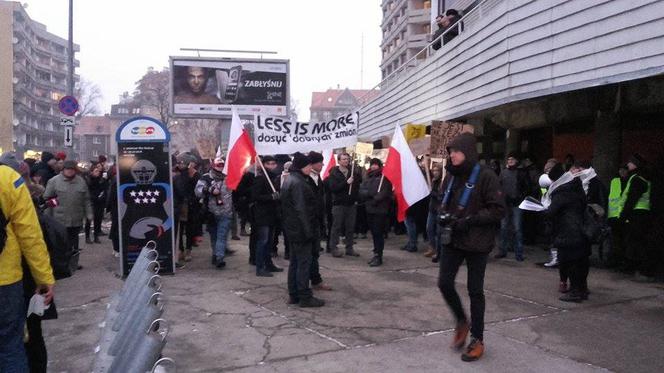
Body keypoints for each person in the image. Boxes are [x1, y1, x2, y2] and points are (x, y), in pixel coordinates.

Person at [437, 133, 505, 362]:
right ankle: (461, 321)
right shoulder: (451, 175)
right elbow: (441, 200)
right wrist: (440, 213)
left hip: (477, 241)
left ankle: (477, 339)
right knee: (444, 283)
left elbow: (497, 210)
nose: (451, 155)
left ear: (467, 152)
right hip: (453, 239)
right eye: (450, 152)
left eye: (455, 151)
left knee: (475, 290)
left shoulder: (486, 176)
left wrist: (469, 220)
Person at [0, 163, 55, 372]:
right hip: (6, 281)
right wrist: (44, 278)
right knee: (10, 347)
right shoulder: (8, 178)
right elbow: (30, 235)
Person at [281, 153, 325, 308]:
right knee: (303, 264)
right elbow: (301, 209)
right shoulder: (298, 183)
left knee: (295, 263)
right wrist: (308, 232)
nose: (310, 168)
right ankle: (305, 296)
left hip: (293, 229)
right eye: (308, 166)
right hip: (301, 230)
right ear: (302, 167)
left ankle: (294, 294)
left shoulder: (290, 179)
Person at [544, 163, 591, 302]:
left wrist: (542, 211)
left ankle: (575, 291)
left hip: (568, 232)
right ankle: (582, 289)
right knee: (582, 261)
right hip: (581, 230)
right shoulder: (577, 186)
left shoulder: (562, 192)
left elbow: (551, 212)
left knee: (570, 262)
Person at [44, 160, 93, 270]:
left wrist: (89, 214)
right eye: (68, 169)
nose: (70, 171)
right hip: (59, 219)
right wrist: (47, 219)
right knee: (61, 243)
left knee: (74, 243)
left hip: (76, 218)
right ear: (63, 170)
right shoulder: (54, 181)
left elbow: (86, 200)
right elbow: (47, 200)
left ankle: (73, 263)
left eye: (72, 169)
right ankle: (60, 264)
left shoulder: (81, 182)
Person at [619, 154, 652, 280]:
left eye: (630, 162)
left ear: (635, 165)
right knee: (638, 242)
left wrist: (623, 216)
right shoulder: (644, 178)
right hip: (642, 213)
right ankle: (639, 269)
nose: (628, 164)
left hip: (636, 213)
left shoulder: (636, 178)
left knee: (636, 243)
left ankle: (642, 270)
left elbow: (631, 199)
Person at [196, 157, 233, 269]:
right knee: (214, 236)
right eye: (218, 165)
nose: (220, 167)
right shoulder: (206, 178)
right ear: (213, 166)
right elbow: (197, 191)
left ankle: (219, 257)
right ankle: (215, 254)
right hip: (211, 212)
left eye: (222, 165)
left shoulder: (230, 177)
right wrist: (209, 190)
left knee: (221, 236)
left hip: (226, 212)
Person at [251, 156, 284, 277]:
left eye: (273, 163)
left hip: (272, 215)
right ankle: (260, 267)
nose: (272, 166)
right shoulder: (260, 178)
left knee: (269, 242)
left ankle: (269, 264)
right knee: (263, 241)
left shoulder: (274, 178)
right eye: (269, 164)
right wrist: (270, 197)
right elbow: (255, 196)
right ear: (264, 165)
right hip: (263, 215)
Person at [495, 153, 530, 261]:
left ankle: (518, 252)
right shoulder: (504, 173)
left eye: (512, 159)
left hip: (517, 203)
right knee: (504, 228)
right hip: (506, 203)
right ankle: (503, 250)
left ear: (516, 161)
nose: (510, 161)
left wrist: (520, 197)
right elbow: (498, 186)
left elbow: (527, 187)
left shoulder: (521, 173)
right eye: (509, 159)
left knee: (517, 228)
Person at [359, 158, 393, 267]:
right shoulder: (368, 176)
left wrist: (373, 197)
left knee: (378, 233)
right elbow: (362, 190)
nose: (373, 167)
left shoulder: (384, 177)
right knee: (373, 233)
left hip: (380, 210)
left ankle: (379, 255)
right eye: (372, 165)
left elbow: (384, 192)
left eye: (375, 165)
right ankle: (375, 252)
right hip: (369, 209)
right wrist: (370, 194)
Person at [327, 153, 362, 258]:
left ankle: (349, 248)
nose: (346, 161)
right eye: (344, 159)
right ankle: (333, 247)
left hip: (351, 204)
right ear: (339, 161)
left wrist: (356, 199)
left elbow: (356, 187)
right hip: (339, 204)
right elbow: (333, 188)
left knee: (350, 227)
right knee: (336, 227)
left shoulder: (353, 172)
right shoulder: (334, 173)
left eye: (347, 159)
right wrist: (346, 183)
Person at [306, 152, 333, 290]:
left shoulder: (317, 177)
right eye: (320, 162)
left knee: (315, 252)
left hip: (317, 220)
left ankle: (316, 280)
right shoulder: (304, 179)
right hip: (307, 222)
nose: (322, 165)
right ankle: (304, 285)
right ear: (311, 164)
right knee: (307, 255)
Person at [606, 164, 629, 269]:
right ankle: (615, 261)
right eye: (621, 170)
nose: (622, 172)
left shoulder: (628, 181)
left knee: (619, 241)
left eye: (624, 170)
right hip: (615, 216)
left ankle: (618, 261)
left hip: (621, 216)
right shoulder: (615, 181)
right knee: (615, 241)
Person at [85, 162, 109, 244]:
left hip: (100, 202)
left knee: (98, 220)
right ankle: (87, 237)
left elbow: (104, 189)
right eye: (95, 171)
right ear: (91, 172)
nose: (97, 172)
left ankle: (96, 236)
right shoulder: (89, 180)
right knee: (89, 219)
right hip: (91, 202)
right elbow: (87, 191)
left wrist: (102, 196)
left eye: (98, 171)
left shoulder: (102, 180)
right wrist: (93, 197)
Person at [425, 163, 444, 259]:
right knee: (429, 228)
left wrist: (433, 193)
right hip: (432, 208)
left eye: (437, 171)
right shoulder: (433, 181)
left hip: (439, 209)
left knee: (438, 231)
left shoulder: (443, 182)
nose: (435, 173)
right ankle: (432, 247)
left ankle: (438, 250)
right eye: (434, 170)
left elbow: (441, 196)